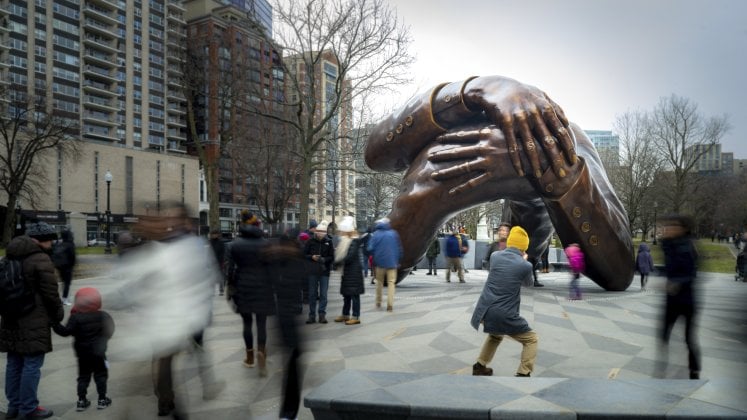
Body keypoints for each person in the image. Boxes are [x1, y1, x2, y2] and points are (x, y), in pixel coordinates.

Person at [364, 75, 634, 291]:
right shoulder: (461, 114)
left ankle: (531, 204)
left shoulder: (564, 139)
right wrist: (470, 90)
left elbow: (620, 271)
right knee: (430, 180)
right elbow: (374, 154)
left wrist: (552, 167)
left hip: (531, 217)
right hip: (511, 221)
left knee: (535, 200)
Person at [107, 203, 219, 417]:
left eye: (173, 219)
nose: (169, 223)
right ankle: (168, 402)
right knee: (163, 362)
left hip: (180, 318)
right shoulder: (160, 248)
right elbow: (131, 281)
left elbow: (202, 279)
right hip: (164, 321)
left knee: (173, 358)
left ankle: (174, 401)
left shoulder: (186, 247)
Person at [1, 221, 64, 420]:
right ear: (39, 240)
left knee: (14, 363)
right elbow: (51, 294)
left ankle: (14, 407)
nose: (52, 244)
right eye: (49, 240)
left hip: (11, 317)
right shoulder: (40, 259)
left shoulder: (8, 256)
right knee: (31, 364)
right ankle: (28, 409)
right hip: (33, 319)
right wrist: (58, 314)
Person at [470, 226, 538, 377]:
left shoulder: (495, 256)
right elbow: (528, 284)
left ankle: (480, 365)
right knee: (531, 339)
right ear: (524, 247)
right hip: (504, 313)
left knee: (495, 335)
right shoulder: (525, 265)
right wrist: (523, 260)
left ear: (509, 242)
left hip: (485, 310)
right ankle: (523, 373)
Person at [225, 211, 275, 377]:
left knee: (247, 323)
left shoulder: (234, 245)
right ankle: (262, 351)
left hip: (243, 287)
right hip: (263, 287)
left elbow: (229, 270)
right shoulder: (267, 244)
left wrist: (230, 288)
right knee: (261, 323)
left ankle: (249, 357)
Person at [52, 287, 115, 412]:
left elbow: (65, 332)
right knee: (101, 375)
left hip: (83, 354)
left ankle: (81, 401)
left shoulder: (76, 318)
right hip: (99, 353)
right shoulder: (104, 315)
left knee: (83, 376)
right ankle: (102, 399)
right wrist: (104, 340)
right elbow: (110, 329)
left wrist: (54, 324)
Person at [656, 214, 701, 380]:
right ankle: (662, 369)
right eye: (666, 226)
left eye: (672, 226)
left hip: (687, 300)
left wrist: (676, 283)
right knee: (663, 334)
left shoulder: (688, 246)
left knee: (689, 338)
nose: (667, 229)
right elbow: (670, 268)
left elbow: (691, 273)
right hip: (671, 299)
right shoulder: (668, 245)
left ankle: (694, 370)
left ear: (682, 229)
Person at [333, 216, 365, 325]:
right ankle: (345, 314)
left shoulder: (354, 241)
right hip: (347, 272)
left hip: (353, 273)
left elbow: (350, 257)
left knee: (354, 295)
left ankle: (356, 316)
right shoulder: (345, 241)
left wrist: (338, 262)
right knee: (346, 295)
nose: (340, 233)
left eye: (342, 231)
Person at [367, 218, 403, 312]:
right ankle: (390, 305)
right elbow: (399, 249)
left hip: (379, 264)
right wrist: (397, 260)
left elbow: (370, 248)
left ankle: (378, 301)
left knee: (379, 282)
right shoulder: (393, 233)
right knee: (391, 283)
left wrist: (374, 256)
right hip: (392, 263)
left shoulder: (376, 234)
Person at [303, 220, 334, 324]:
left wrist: (324, 259)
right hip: (312, 271)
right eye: (319, 232)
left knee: (323, 294)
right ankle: (312, 315)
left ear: (325, 233)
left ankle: (322, 314)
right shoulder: (310, 241)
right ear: (316, 232)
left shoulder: (329, 242)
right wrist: (312, 257)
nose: (320, 234)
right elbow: (303, 255)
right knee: (312, 294)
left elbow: (332, 257)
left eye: (323, 232)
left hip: (324, 271)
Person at [52, 229, 77, 306]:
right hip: (67, 267)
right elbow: (72, 256)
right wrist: (72, 265)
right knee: (67, 284)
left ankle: (64, 298)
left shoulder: (60, 244)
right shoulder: (70, 244)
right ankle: (65, 299)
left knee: (63, 282)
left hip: (60, 266)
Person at [208, 230, 227, 296]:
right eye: (213, 234)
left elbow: (223, 253)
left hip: (219, 262)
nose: (214, 235)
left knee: (220, 277)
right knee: (212, 277)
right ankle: (212, 290)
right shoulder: (210, 242)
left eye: (215, 234)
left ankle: (221, 290)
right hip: (212, 262)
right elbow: (208, 252)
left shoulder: (221, 243)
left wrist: (223, 261)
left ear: (218, 235)